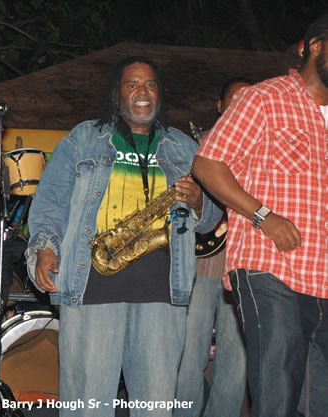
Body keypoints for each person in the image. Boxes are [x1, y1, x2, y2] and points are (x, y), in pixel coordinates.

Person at [25, 56, 221, 417]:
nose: (141, 92)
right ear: (117, 96)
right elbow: (50, 202)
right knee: (88, 407)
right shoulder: (83, 138)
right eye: (132, 84)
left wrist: (199, 204)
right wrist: (43, 249)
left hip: (164, 293)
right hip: (93, 288)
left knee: (156, 406)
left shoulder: (186, 148)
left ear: (160, 95)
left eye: (149, 85)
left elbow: (211, 221)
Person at [192, 15, 328, 417]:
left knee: (317, 403)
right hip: (273, 269)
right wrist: (264, 216)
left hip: (324, 276)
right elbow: (208, 163)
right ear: (317, 46)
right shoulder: (265, 98)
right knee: (277, 395)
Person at [175, 78, 251, 417]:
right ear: (219, 105)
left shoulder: (260, 149)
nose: (240, 105)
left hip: (244, 262)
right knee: (189, 352)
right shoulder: (197, 146)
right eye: (233, 99)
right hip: (202, 262)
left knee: (236, 359)